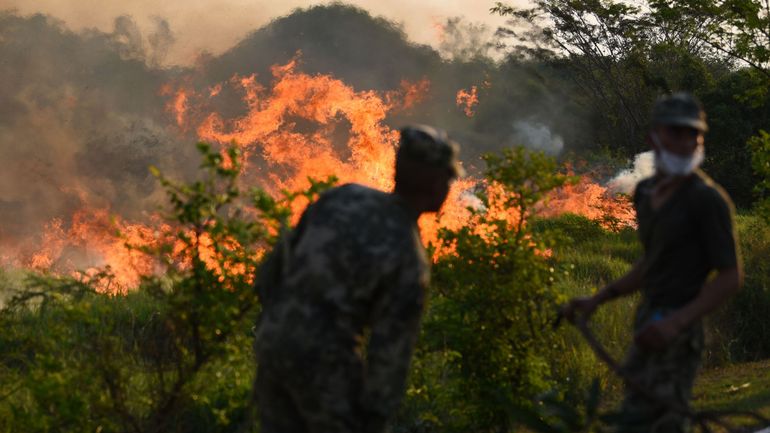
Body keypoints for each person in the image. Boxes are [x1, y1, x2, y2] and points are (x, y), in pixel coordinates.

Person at [253, 125, 463, 433]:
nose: (449, 187)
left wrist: (276, 320)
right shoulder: (408, 255)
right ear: (433, 184)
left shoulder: (343, 197)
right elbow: (389, 354)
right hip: (324, 364)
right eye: (448, 178)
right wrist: (374, 418)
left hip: (273, 342)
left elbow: (271, 271)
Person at [561, 93, 743, 433]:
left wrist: (676, 323)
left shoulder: (707, 199)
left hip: (679, 330)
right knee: (633, 413)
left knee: (664, 422)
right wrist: (598, 299)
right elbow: (651, 262)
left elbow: (730, 277)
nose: (685, 142)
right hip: (647, 321)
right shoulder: (644, 193)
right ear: (654, 137)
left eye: (693, 134)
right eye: (675, 132)